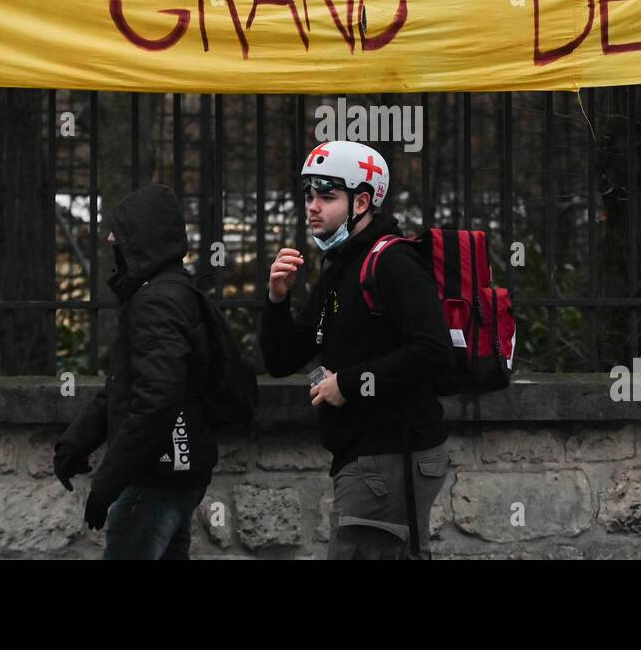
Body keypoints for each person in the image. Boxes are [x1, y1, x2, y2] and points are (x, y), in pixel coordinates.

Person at [261, 141, 454, 559]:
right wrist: (277, 300)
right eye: (309, 196)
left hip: (392, 454)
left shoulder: (392, 262)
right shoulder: (342, 265)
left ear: (362, 201)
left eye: (327, 197)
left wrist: (348, 383)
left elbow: (434, 349)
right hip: (366, 456)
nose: (312, 207)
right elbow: (282, 360)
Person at [53, 184, 217, 559]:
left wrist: (106, 484)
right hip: (176, 475)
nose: (111, 238)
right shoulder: (174, 293)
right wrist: (77, 441)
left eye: (120, 232)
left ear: (143, 238)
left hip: (154, 480)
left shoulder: (156, 302)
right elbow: (125, 386)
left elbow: (157, 398)